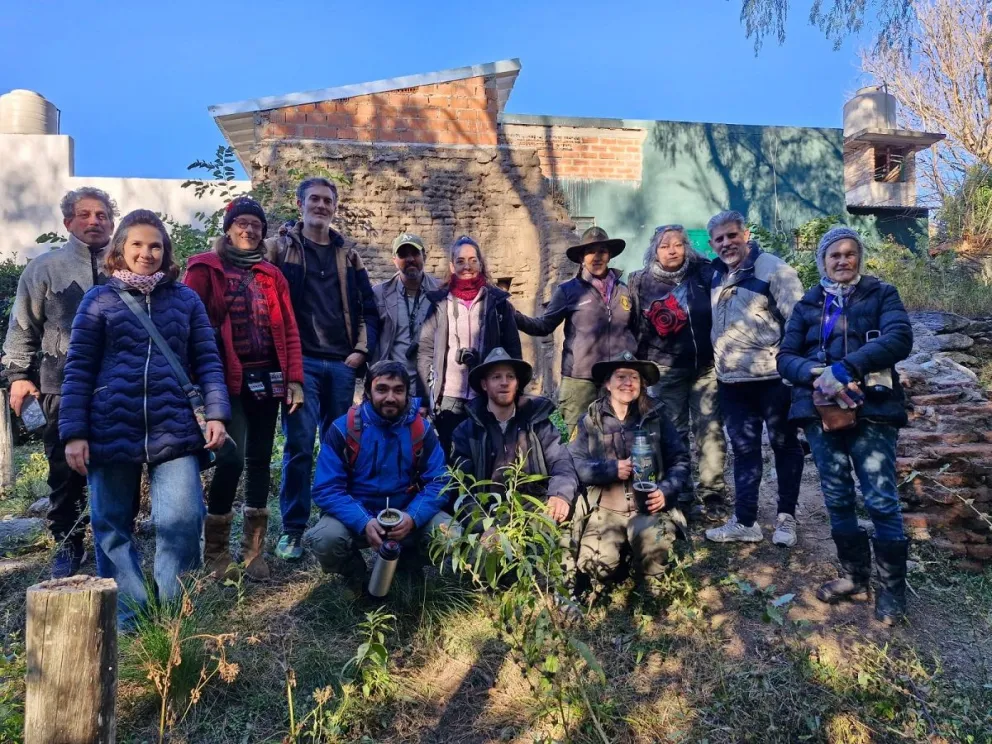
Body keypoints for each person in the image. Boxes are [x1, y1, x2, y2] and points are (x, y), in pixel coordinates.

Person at [59, 210, 230, 625]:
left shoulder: (185, 299)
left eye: (155, 245)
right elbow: (79, 366)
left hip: (174, 425)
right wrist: (74, 433)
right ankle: (131, 616)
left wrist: (217, 414)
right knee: (112, 523)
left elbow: (208, 360)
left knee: (182, 519)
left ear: (166, 251)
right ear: (121, 249)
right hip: (110, 424)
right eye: (137, 244)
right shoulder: (98, 300)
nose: (146, 253)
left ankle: (174, 613)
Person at [778, 226, 913, 625]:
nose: (842, 260)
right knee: (837, 496)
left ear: (859, 257)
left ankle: (892, 591)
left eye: (849, 253)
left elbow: (900, 338)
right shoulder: (808, 302)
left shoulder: (881, 293)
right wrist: (819, 373)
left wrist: (846, 367)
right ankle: (855, 576)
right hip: (821, 414)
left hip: (873, 412)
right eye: (833, 255)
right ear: (822, 260)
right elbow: (785, 357)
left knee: (880, 498)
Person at [184, 196, 305, 581]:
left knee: (259, 460)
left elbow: (288, 328)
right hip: (225, 381)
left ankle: (253, 551)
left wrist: (295, 380)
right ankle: (216, 549)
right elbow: (190, 326)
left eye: (256, 225)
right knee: (231, 458)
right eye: (242, 223)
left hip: (268, 378)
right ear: (229, 227)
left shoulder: (272, 274)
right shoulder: (205, 269)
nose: (249, 230)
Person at [2, 187, 118, 577]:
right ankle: (68, 542)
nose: (93, 221)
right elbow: (21, 326)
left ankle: (117, 536)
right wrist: (18, 375)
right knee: (63, 471)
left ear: (112, 222)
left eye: (101, 214)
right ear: (68, 222)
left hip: (117, 385)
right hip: (59, 385)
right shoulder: (44, 269)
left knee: (117, 464)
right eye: (84, 214)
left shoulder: (127, 265)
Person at [264, 177, 378, 561]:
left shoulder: (348, 255)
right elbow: (247, 271)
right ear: (300, 205)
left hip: (342, 364)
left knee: (341, 447)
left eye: (328, 200)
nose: (321, 205)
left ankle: (336, 521)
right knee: (298, 445)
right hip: (301, 364)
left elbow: (367, 308)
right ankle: (293, 529)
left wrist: (361, 351)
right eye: (314, 199)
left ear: (334, 207)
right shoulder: (279, 249)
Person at [703, 210, 806, 548]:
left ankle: (786, 519)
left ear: (745, 234)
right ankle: (746, 521)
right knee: (744, 449)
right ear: (712, 244)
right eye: (719, 239)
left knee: (784, 445)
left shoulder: (774, 270)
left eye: (732, 236)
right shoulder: (717, 274)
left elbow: (800, 321)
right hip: (732, 381)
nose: (726, 243)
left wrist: (794, 368)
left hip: (773, 377)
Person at [304, 361, 452, 578]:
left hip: (405, 513)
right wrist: (363, 521)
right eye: (381, 389)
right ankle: (356, 576)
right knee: (325, 538)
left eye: (398, 390)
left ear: (407, 394)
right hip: (356, 513)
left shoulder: (422, 430)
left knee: (451, 535)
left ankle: (407, 566)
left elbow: (440, 482)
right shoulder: (343, 428)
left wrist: (412, 517)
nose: (390, 397)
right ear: (367, 392)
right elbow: (326, 488)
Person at [569, 351, 691, 597]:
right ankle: (620, 561)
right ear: (607, 384)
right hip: (606, 511)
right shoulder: (590, 420)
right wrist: (611, 470)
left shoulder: (656, 416)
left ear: (641, 384)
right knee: (596, 566)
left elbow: (680, 460)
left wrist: (666, 491)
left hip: (647, 510)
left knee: (655, 556)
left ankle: (649, 573)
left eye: (634, 377)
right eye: (621, 376)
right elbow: (576, 463)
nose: (628, 383)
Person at [628, 224, 727, 521]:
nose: (672, 250)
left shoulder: (704, 274)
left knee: (709, 430)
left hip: (704, 367)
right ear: (654, 251)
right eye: (664, 245)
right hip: (664, 369)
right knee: (674, 432)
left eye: (678, 244)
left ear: (687, 247)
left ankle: (713, 494)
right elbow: (634, 328)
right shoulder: (640, 283)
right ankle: (680, 493)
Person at [514, 226, 636, 435]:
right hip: (579, 380)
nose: (596, 257)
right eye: (590, 251)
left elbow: (634, 330)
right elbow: (544, 326)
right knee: (571, 437)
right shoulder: (568, 291)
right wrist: (515, 317)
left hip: (617, 378)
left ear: (609, 255)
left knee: (617, 436)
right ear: (581, 257)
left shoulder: (624, 289)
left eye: (602, 251)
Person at [450, 347, 578, 525]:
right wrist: (482, 527)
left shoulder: (541, 417)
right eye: (496, 377)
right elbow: (463, 490)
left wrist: (560, 494)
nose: (505, 382)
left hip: (537, 509)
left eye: (510, 376)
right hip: (489, 515)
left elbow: (562, 461)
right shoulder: (466, 432)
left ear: (517, 383)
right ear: (484, 384)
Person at [418, 236, 521, 456]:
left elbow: (513, 350)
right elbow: (426, 350)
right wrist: (425, 394)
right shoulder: (439, 302)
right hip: (448, 396)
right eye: (461, 260)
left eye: (473, 260)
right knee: (451, 456)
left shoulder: (497, 303)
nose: (467, 266)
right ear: (451, 266)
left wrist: (515, 393)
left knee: (485, 455)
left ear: (482, 264)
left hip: (485, 395)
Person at [371, 233, 441, 398]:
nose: (410, 259)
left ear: (424, 255)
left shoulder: (441, 292)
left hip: (431, 384)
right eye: (403, 255)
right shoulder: (380, 294)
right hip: (392, 386)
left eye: (415, 253)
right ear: (394, 260)